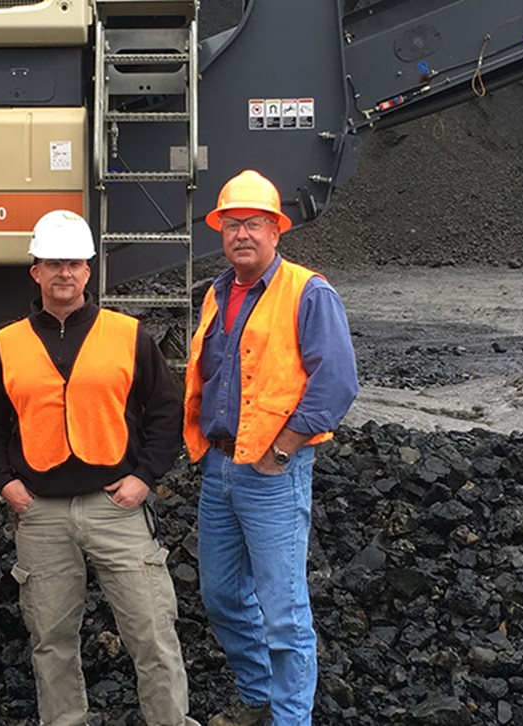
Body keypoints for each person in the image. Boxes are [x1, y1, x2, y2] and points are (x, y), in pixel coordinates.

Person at [0, 209, 197, 726]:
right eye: (53, 263)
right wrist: (7, 484)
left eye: (74, 263)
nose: (64, 274)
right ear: (35, 271)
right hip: (41, 515)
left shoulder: (127, 335)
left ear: (89, 271)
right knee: (50, 641)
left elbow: (167, 410)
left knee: (152, 633)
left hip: (115, 508)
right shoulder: (7, 345)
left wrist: (145, 477)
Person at [184, 170, 359, 726]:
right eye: (232, 224)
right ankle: (258, 696)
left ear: (276, 231)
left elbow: (337, 383)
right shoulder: (216, 293)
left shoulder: (308, 291)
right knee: (220, 595)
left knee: (283, 611)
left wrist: (280, 451)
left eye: (254, 223)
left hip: (272, 472)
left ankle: (290, 718)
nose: (242, 234)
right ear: (220, 231)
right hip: (219, 466)